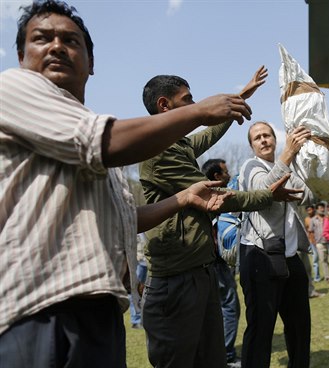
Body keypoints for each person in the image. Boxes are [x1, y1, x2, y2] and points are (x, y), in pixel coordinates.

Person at [0, 1, 250, 366]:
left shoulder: (96, 140)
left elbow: (125, 220)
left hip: (100, 312)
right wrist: (197, 111)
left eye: (71, 41)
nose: (56, 46)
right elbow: (108, 141)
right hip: (40, 312)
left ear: (91, 63)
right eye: (42, 38)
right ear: (22, 55)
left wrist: (182, 198)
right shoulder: (13, 89)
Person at [139, 72, 303, 368]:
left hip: (200, 268)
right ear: (164, 105)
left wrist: (240, 97)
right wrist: (267, 196)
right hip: (175, 277)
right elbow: (221, 197)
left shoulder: (178, 144)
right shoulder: (160, 151)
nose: (195, 105)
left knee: (212, 358)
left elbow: (211, 132)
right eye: (187, 100)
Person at [239, 121, 314, 368]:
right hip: (260, 255)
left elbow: (309, 194)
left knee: (300, 325)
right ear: (252, 146)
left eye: (267, 135)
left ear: (274, 138)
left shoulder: (284, 166)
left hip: (290, 256)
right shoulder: (251, 167)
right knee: (262, 328)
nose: (263, 140)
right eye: (257, 138)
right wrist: (288, 154)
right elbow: (262, 192)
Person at [201, 158, 242, 368]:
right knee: (230, 307)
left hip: (209, 265)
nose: (228, 175)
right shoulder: (215, 201)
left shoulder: (201, 196)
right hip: (216, 263)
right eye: (225, 172)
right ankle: (226, 356)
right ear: (217, 177)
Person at [130, 233, 149, 329]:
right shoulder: (137, 227)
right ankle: (136, 320)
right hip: (138, 261)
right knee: (135, 290)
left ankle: (143, 318)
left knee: (145, 291)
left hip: (148, 261)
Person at [310, 202, 329, 282]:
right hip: (319, 243)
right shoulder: (313, 220)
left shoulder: (327, 218)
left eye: (323, 208)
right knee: (323, 260)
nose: (322, 209)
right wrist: (314, 242)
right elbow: (311, 231)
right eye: (320, 208)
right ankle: (327, 277)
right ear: (316, 209)